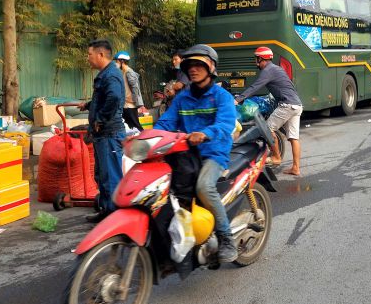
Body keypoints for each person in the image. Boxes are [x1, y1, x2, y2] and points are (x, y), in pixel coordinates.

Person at [154, 44, 239, 262]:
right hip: (185, 153)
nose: (193, 69)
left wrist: (204, 133)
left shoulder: (222, 96)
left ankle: (226, 238)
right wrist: (146, 136)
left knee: (203, 186)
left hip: (214, 152)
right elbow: (166, 121)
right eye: (189, 65)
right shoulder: (182, 98)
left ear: (211, 67)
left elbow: (226, 124)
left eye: (199, 64)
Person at [235, 47, 303, 176]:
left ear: (261, 58)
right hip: (296, 104)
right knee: (294, 138)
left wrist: (238, 99)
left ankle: (276, 157)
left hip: (286, 105)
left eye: (257, 59)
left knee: (267, 129)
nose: (256, 62)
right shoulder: (277, 69)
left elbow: (255, 86)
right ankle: (296, 168)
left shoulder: (268, 70)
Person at [81, 40, 126, 223]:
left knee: (111, 177)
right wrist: (88, 105)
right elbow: (105, 98)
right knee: (102, 175)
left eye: (90, 54)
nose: (88, 58)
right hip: (103, 134)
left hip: (109, 133)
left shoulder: (111, 75)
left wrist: (100, 119)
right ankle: (107, 211)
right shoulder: (106, 74)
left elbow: (114, 97)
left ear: (100, 55)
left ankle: (115, 218)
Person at [113, 51, 147, 132]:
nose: (115, 63)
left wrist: (138, 104)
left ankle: (145, 141)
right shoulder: (123, 72)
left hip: (130, 106)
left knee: (136, 127)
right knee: (129, 127)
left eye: (116, 61)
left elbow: (135, 88)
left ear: (122, 61)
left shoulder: (129, 72)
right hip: (125, 105)